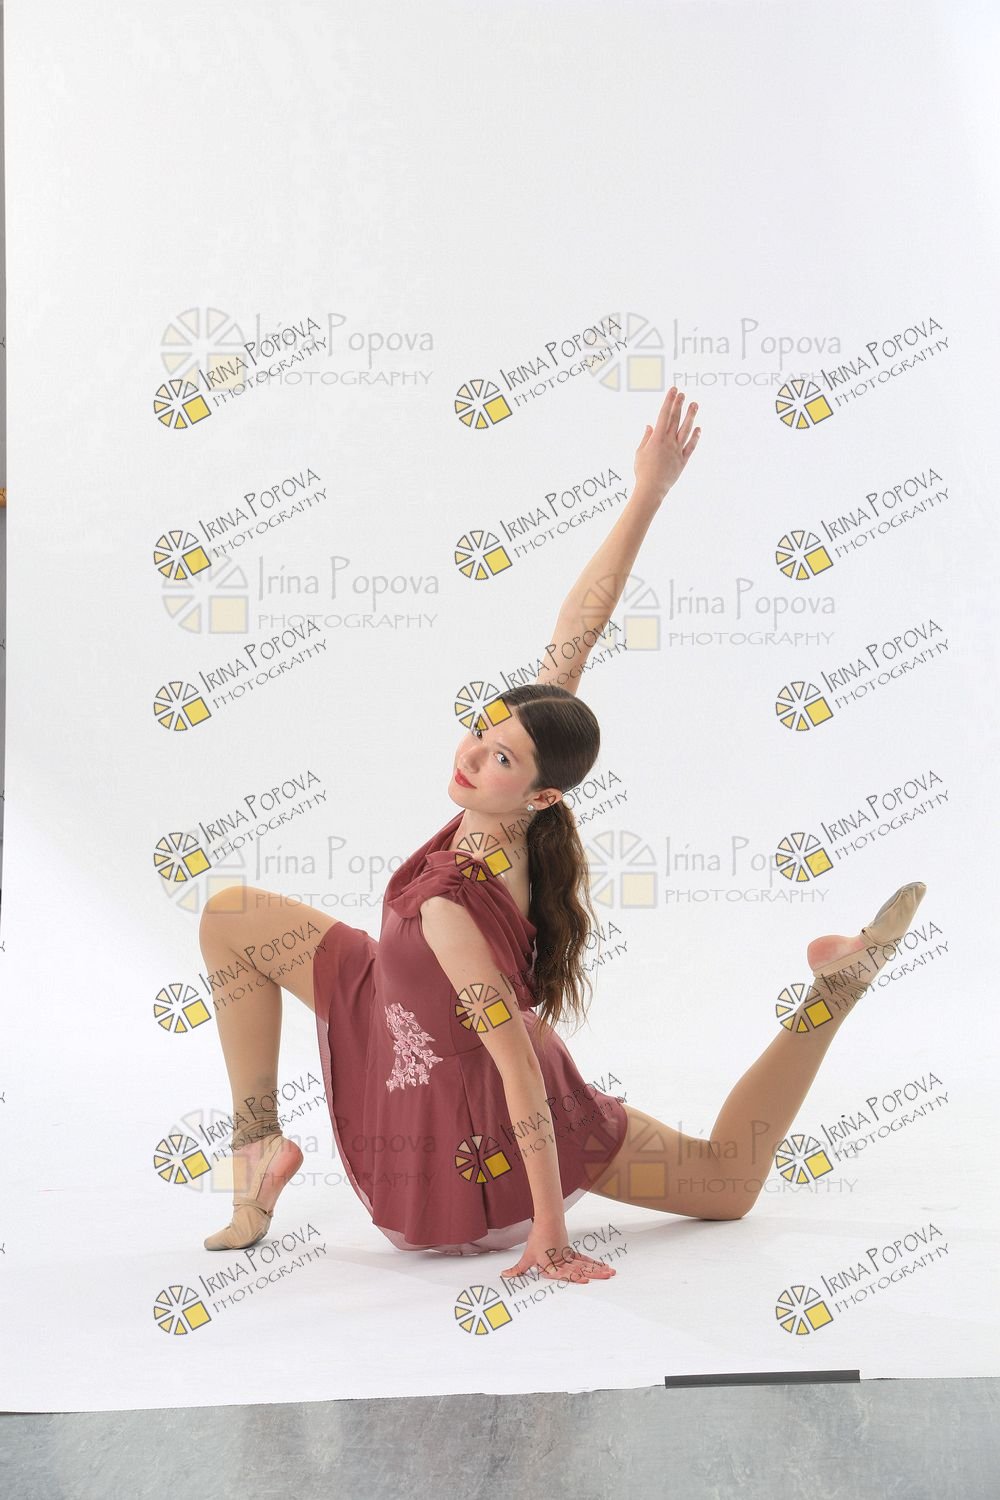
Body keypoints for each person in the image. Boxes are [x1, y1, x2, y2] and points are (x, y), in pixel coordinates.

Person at [196, 388, 926, 1287]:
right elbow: (576, 633)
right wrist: (648, 492)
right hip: (385, 993)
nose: (473, 757)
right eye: (481, 731)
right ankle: (258, 1144)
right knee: (230, 917)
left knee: (726, 1183)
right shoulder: (516, 804)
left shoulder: (450, 911)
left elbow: (517, 1075)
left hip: (472, 1089)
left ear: (540, 794)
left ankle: (832, 994)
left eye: (499, 756)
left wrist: (549, 1231)